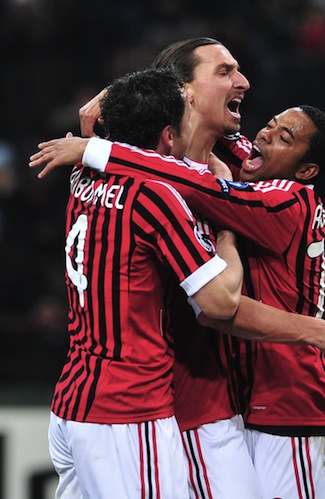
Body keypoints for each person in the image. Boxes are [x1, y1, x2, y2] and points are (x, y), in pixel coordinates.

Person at [68, 37, 325, 498]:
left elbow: (246, 231)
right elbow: (224, 300)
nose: (244, 84)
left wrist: (93, 147)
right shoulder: (166, 185)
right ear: (186, 92)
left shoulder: (250, 183)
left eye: (284, 137)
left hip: (247, 405)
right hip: (180, 408)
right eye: (224, 72)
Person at [45, 66, 246, 499]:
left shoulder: (82, 173)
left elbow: (96, 119)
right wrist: (228, 229)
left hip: (73, 401)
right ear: (169, 136)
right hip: (127, 408)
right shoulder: (155, 195)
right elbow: (221, 302)